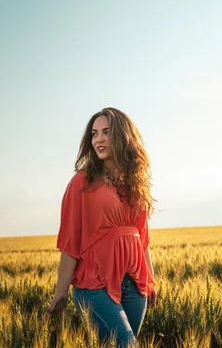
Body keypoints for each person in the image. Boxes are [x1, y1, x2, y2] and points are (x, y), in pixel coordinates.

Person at [44, 107, 157, 347]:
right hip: (95, 285)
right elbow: (70, 242)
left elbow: (142, 238)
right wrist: (60, 292)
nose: (99, 139)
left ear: (123, 136)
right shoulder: (81, 183)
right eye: (94, 134)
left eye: (106, 132)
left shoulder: (135, 183)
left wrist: (150, 280)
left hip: (135, 285)